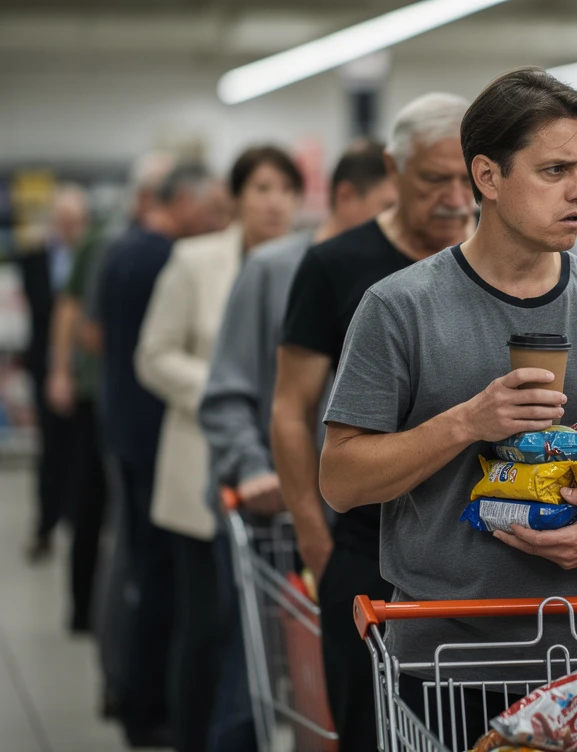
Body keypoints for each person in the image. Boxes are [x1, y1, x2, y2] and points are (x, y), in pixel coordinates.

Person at [317, 67, 577, 743]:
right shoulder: (398, 308)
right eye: (554, 170)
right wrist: (468, 421)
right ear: (487, 177)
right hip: (447, 666)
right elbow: (342, 480)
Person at [271, 92, 474, 747]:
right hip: (365, 552)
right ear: (394, 169)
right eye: (433, 179)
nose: (453, 197)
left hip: (475, 558)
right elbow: (290, 406)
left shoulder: (500, 267)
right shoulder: (337, 265)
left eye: (466, 178)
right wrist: (314, 539)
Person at [198, 140, 395, 752]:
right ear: (346, 198)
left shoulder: (413, 273)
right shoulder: (275, 270)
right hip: (279, 516)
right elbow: (227, 392)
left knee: (339, 693)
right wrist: (258, 471)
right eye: (387, 207)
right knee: (253, 676)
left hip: (363, 522)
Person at [136, 146, 303, 752]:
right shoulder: (194, 260)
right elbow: (152, 356)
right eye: (261, 187)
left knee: (271, 638)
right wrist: (225, 386)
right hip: (202, 471)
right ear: (234, 199)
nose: (275, 201)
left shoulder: (308, 265)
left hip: (285, 480)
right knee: (208, 626)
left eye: (286, 188)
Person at [97, 162, 222, 749]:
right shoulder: (168, 259)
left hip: (123, 425)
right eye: (214, 206)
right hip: (159, 438)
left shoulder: (122, 251)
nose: (219, 218)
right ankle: (145, 706)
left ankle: (123, 690)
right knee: (161, 579)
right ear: (186, 203)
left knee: (137, 566)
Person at [21, 185, 90, 564]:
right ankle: (45, 526)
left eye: (77, 221)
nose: (71, 228)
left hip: (87, 374)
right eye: (64, 221)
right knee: (50, 450)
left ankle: (78, 521)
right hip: (46, 367)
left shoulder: (95, 259)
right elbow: (40, 308)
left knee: (84, 454)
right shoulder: (34, 258)